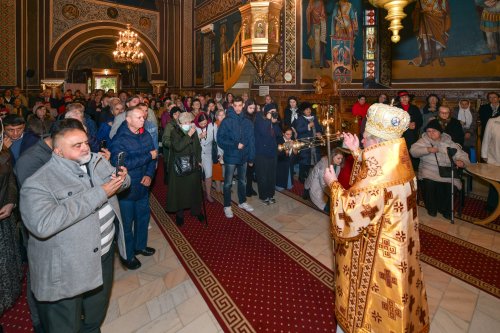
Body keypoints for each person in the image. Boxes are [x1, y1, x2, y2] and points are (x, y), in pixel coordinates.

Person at [323, 103, 429, 333]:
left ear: (380, 142)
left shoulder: (379, 182)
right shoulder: (401, 163)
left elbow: (350, 214)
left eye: (366, 139)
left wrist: (332, 185)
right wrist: (357, 153)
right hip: (400, 252)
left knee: (374, 308)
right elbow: (376, 168)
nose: (363, 141)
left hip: (380, 257)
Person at [20, 125, 130, 333]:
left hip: (103, 255)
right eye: (77, 145)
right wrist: (100, 192)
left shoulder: (97, 162)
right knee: (66, 324)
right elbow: (43, 224)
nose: (85, 148)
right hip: (68, 266)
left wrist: (121, 179)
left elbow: (122, 185)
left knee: (94, 317)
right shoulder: (38, 183)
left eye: (86, 142)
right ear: (58, 151)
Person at [109, 105, 157, 270]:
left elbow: (153, 157)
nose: (143, 119)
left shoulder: (146, 135)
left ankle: (140, 246)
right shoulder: (119, 139)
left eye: (143, 116)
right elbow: (120, 165)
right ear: (128, 119)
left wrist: (149, 175)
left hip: (143, 186)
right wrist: (147, 157)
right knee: (126, 225)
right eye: (138, 117)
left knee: (143, 218)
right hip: (127, 190)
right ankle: (128, 255)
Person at [410, 119, 469, 218]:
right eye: (428, 131)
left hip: (446, 170)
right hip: (429, 169)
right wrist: (427, 149)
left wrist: (461, 161)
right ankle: (432, 209)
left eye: (434, 131)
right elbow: (413, 151)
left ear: (440, 132)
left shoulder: (449, 142)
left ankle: (445, 210)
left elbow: (462, 154)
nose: (431, 133)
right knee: (429, 183)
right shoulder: (424, 140)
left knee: (450, 185)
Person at [216, 96, 255, 218]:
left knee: (242, 181)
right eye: (235, 105)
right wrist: (234, 144)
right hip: (231, 155)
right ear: (232, 106)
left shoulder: (247, 121)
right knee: (227, 183)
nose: (238, 108)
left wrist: (251, 157)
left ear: (243, 105)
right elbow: (220, 139)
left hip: (243, 156)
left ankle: (242, 202)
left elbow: (251, 140)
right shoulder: (227, 121)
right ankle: (227, 206)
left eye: (240, 105)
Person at [165, 112, 204, 226]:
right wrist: (188, 136)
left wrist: (199, 160)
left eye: (190, 122)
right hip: (180, 166)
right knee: (180, 191)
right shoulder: (175, 132)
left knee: (194, 189)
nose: (189, 124)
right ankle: (180, 214)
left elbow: (197, 147)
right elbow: (178, 147)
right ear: (180, 123)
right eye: (186, 122)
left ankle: (196, 211)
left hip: (192, 164)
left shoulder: (194, 131)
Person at [0, 126, 22, 322]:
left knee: (6, 261)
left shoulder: (3, 152)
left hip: (2, 215)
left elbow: (10, 179)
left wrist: (10, 201)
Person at [254, 103, 281, 205]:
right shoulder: (259, 119)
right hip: (261, 153)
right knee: (263, 176)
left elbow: (278, 133)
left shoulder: (273, 121)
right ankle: (264, 196)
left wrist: (274, 122)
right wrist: (269, 120)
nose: (273, 113)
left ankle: (270, 194)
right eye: (271, 112)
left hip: (272, 153)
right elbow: (263, 132)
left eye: (275, 111)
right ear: (266, 112)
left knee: (271, 176)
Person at [412, 0, 450, 66]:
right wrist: (423, 11)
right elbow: (417, 9)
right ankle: (427, 59)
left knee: (438, 40)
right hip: (425, 20)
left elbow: (445, 10)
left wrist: (433, 10)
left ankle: (440, 57)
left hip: (437, 20)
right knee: (427, 40)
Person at [293, 102, 323, 183]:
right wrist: (308, 126)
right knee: (304, 161)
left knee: (314, 160)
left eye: (309, 109)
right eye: (306, 109)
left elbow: (319, 127)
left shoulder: (314, 118)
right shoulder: (300, 119)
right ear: (303, 111)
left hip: (314, 143)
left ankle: (311, 176)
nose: (308, 110)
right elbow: (299, 130)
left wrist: (319, 132)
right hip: (304, 143)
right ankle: (301, 177)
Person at [395, 90, 423, 171]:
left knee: (412, 151)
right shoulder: (395, 109)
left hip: (412, 135)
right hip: (399, 135)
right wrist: (407, 125)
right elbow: (392, 122)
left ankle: (413, 170)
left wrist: (415, 125)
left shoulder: (415, 108)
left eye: (406, 97)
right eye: (402, 97)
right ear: (399, 99)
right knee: (400, 152)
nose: (404, 98)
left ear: (409, 98)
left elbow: (420, 121)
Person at [194, 112, 216, 202]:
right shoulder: (193, 127)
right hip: (197, 154)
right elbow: (189, 141)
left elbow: (216, 140)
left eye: (205, 123)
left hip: (208, 154)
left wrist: (220, 153)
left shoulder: (213, 126)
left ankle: (208, 194)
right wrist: (199, 137)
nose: (203, 125)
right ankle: (196, 195)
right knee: (196, 175)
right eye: (201, 123)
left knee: (209, 175)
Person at [481, 112, 500, 213]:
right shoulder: (492, 121)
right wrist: (484, 155)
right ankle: (491, 204)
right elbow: (486, 138)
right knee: (494, 184)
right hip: (495, 158)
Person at [306, 0, 329, 68]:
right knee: (313, 44)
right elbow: (308, 12)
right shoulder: (311, 2)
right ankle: (313, 63)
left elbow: (323, 13)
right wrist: (310, 10)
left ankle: (321, 63)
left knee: (321, 44)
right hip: (313, 26)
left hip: (320, 25)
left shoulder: (321, 2)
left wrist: (322, 16)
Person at [162, 106, 181, 185]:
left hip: (180, 152)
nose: (178, 115)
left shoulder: (183, 123)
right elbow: (165, 140)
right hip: (172, 153)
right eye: (175, 114)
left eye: (179, 113)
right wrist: (174, 145)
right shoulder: (169, 125)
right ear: (172, 115)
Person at [243, 99, 258, 197]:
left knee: (251, 170)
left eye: (254, 108)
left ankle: (249, 187)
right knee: (246, 170)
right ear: (246, 107)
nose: (252, 110)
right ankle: (246, 189)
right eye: (250, 108)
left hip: (254, 144)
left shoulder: (255, 116)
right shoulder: (244, 117)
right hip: (246, 146)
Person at [276, 127, 297, 191]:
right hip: (281, 162)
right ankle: (279, 185)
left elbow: (295, 153)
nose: (289, 136)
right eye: (287, 134)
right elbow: (277, 154)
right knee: (280, 188)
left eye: (290, 134)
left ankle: (288, 183)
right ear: (283, 134)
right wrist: (286, 151)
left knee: (290, 186)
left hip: (290, 162)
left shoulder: (292, 140)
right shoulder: (279, 140)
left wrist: (294, 148)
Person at [212, 109, 225, 194]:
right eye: (220, 115)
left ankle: (224, 187)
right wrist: (220, 154)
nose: (222, 116)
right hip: (217, 151)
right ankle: (218, 187)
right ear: (216, 116)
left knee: (225, 170)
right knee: (217, 169)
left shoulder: (226, 124)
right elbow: (216, 141)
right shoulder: (214, 125)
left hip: (225, 150)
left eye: (223, 115)